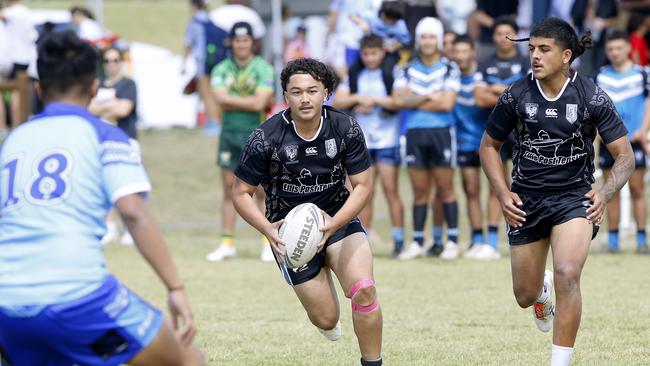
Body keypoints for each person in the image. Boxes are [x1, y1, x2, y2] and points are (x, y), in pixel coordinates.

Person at [0, 30, 203, 366]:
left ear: (38, 89)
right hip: (77, 298)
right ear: (94, 88)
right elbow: (133, 212)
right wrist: (176, 288)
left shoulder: (12, 141)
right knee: (187, 359)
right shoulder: (104, 135)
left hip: (6, 306)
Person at [480, 18, 634, 366]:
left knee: (567, 272)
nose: (534, 55)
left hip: (573, 199)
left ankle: (559, 361)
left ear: (566, 56)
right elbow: (489, 147)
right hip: (526, 201)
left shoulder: (591, 95)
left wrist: (605, 192)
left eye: (543, 49)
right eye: (532, 49)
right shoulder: (516, 94)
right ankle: (541, 292)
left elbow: (625, 157)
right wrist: (503, 194)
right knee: (524, 295)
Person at [232, 58, 383, 366]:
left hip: (338, 220)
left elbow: (363, 186)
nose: (305, 98)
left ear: (325, 93)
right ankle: (322, 298)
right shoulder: (266, 138)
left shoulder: (345, 127)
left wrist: (334, 223)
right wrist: (268, 229)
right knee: (327, 320)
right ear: (285, 96)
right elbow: (240, 193)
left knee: (364, 291)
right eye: (296, 92)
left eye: (312, 91)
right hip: (289, 234)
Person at [205, 22, 274, 263]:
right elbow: (218, 98)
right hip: (229, 134)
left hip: (256, 134)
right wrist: (248, 99)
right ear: (231, 43)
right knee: (228, 190)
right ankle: (227, 243)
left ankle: (268, 242)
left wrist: (232, 100)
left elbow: (259, 103)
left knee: (262, 191)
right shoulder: (221, 68)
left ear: (252, 42)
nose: (242, 44)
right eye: (237, 40)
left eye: (246, 40)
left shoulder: (263, 68)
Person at [392, 17, 461, 260]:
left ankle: (452, 240)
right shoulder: (405, 68)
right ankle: (418, 241)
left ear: (439, 40)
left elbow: (448, 103)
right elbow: (401, 101)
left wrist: (417, 98)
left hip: (442, 132)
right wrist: (433, 96)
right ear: (418, 40)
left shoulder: (450, 67)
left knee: (445, 189)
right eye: (424, 36)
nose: (428, 41)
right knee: (419, 191)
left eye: (432, 36)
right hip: (414, 133)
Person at [332, 34, 405, 257]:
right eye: (366, 54)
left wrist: (374, 101)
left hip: (387, 141)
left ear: (382, 52)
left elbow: (401, 100)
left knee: (391, 190)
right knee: (362, 193)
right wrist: (357, 100)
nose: (370, 58)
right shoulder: (355, 73)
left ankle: (399, 239)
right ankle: (363, 238)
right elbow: (338, 101)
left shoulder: (394, 72)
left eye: (374, 53)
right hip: (361, 143)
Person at [472, 16, 529, 260]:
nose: (503, 38)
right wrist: (510, 91)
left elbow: (527, 98)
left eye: (508, 33)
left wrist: (495, 89)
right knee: (497, 186)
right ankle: (491, 241)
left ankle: (523, 235)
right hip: (494, 134)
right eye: (498, 33)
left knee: (523, 185)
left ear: (516, 35)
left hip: (522, 133)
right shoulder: (484, 63)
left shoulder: (527, 62)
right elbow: (479, 98)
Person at [595, 30, 650, 254]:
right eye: (611, 49)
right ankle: (613, 240)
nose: (615, 53)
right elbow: (594, 109)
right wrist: (599, 133)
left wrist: (643, 130)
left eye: (619, 48)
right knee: (612, 190)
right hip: (609, 143)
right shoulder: (600, 77)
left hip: (634, 141)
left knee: (637, 189)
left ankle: (641, 239)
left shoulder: (642, 74)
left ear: (628, 48)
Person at [88, 46, 139, 246]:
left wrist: (103, 108)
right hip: (101, 141)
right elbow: (89, 108)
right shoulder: (97, 84)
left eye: (115, 60)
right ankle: (109, 226)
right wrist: (112, 105)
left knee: (127, 185)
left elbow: (124, 109)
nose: (111, 64)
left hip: (125, 139)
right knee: (103, 185)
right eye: (107, 60)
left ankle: (130, 228)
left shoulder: (128, 84)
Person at [450, 34, 491, 257]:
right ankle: (477, 238)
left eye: (465, 51)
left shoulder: (482, 76)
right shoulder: (450, 79)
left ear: (472, 52)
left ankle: (493, 238)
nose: (461, 56)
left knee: (496, 188)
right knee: (471, 190)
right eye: (457, 51)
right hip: (464, 142)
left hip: (489, 141)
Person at [183, 0, 228, 136]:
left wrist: (183, 63)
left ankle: (213, 123)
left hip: (203, 63)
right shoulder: (211, 21)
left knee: (206, 94)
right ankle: (218, 121)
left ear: (194, 6)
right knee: (216, 92)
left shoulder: (193, 23)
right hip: (217, 61)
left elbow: (188, 44)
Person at [350, 0, 411, 69]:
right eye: (392, 20)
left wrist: (393, 47)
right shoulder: (373, 16)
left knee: (387, 73)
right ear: (384, 14)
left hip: (388, 53)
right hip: (371, 50)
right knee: (353, 70)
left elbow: (405, 40)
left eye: (395, 20)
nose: (393, 22)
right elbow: (353, 16)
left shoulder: (400, 24)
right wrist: (362, 23)